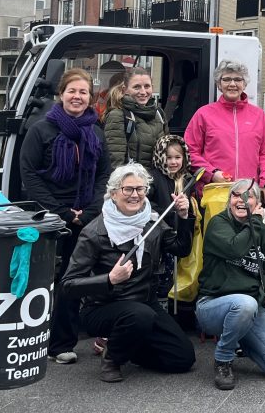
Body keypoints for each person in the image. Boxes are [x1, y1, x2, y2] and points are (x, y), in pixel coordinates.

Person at [61, 163, 196, 382]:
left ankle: (126, 345)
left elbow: (181, 249)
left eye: (140, 189)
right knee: (139, 315)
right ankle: (112, 358)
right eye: (128, 189)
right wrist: (109, 279)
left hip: (145, 303)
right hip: (103, 307)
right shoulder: (94, 232)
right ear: (114, 193)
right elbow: (68, 285)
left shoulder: (152, 220)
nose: (135, 195)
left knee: (182, 358)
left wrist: (183, 216)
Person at [19, 67, 110, 365]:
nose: (77, 96)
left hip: (86, 216)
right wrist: (61, 211)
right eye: (72, 91)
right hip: (50, 216)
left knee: (74, 278)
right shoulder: (41, 130)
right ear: (61, 94)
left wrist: (90, 211)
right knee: (44, 278)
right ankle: (31, 336)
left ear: (90, 97)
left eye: (83, 92)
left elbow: (103, 175)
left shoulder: (96, 132)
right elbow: (29, 174)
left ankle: (62, 343)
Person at [196, 179, 265, 390]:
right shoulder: (218, 224)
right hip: (212, 304)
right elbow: (235, 250)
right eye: (236, 195)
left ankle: (241, 339)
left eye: (248, 196)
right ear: (229, 200)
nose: (241, 200)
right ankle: (223, 358)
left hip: (251, 308)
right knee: (245, 304)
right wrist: (255, 221)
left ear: (257, 202)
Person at [186, 60, 265, 195]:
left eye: (238, 79)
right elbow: (190, 152)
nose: (232, 84)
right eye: (227, 79)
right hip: (215, 192)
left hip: (249, 192)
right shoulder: (203, 114)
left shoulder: (258, 115)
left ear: (244, 84)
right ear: (219, 84)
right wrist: (211, 173)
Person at [150, 134, 205, 308]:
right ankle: (161, 307)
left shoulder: (187, 180)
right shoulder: (153, 178)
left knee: (176, 277)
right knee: (161, 278)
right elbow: (148, 205)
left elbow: (192, 209)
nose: (173, 162)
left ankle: (174, 309)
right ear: (160, 157)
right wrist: (169, 213)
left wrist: (185, 212)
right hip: (161, 236)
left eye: (177, 157)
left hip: (180, 235)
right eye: (168, 157)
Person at [104, 67, 168, 177]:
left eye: (147, 86)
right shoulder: (118, 115)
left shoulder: (159, 114)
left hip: (156, 181)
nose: (143, 92)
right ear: (125, 89)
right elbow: (115, 162)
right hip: (132, 183)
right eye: (136, 87)